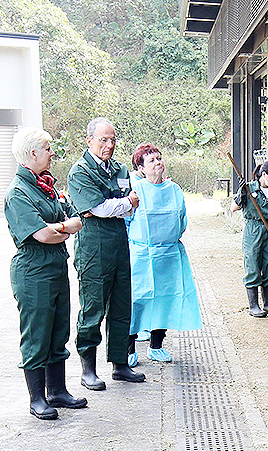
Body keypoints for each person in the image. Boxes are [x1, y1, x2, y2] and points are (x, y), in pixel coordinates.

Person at [4, 126, 88, 420]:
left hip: (54, 265)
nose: (52, 153)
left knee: (58, 330)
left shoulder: (46, 185)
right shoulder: (18, 192)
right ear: (33, 153)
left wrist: (61, 228)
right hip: (33, 269)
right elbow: (42, 234)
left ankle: (57, 391)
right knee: (37, 333)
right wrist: (65, 228)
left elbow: (69, 220)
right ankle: (36, 398)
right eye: (48, 148)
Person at [68, 118, 145, 389]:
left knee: (122, 304)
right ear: (89, 140)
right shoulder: (80, 172)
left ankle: (120, 364)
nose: (109, 145)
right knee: (93, 307)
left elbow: (131, 206)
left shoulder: (119, 168)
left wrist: (122, 205)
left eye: (113, 140)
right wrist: (124, 203)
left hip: (119, 241)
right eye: (103, 140)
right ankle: (88, 368)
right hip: (94, 246)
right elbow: (95, 209)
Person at [124, 143, 201, 364]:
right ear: (141, 167)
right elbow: (128, 221)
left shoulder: (174, 189)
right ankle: (128, 349)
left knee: (165, 299)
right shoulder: (136, 190)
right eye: (151, 160)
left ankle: (156, 345)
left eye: (159, 158)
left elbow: (182, 219)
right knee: (137, 300)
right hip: (141, 254)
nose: (158, 163)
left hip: (169, 254)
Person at [237, 160, 268, 317]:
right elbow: (234, 207)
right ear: (264, 174)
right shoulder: (249, 189)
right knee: (253, 265)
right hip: (253, 230)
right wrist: (242, 194)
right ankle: (253, 306)